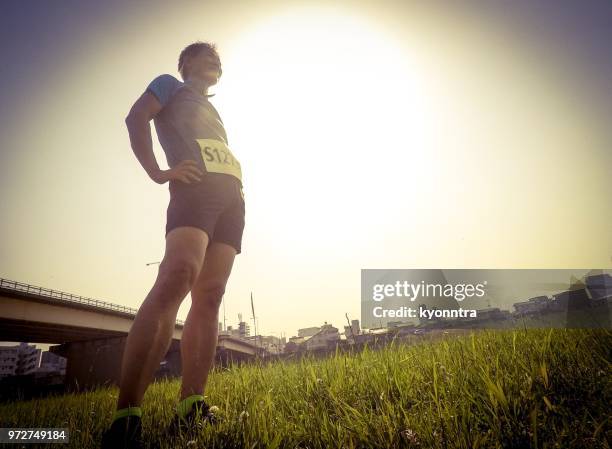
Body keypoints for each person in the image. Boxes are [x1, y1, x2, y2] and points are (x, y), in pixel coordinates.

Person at [101, 41, 245, 449]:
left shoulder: (211, 108)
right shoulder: (169, 85)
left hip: (232, 198)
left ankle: (191, 408)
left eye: (219, 60)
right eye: (205, 56)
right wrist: (158, 172)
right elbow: (135, 118)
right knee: (177, 275)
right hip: (194, 190)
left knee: (212, 294)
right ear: (185, 65)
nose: (215, 62)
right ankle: (127, 415)